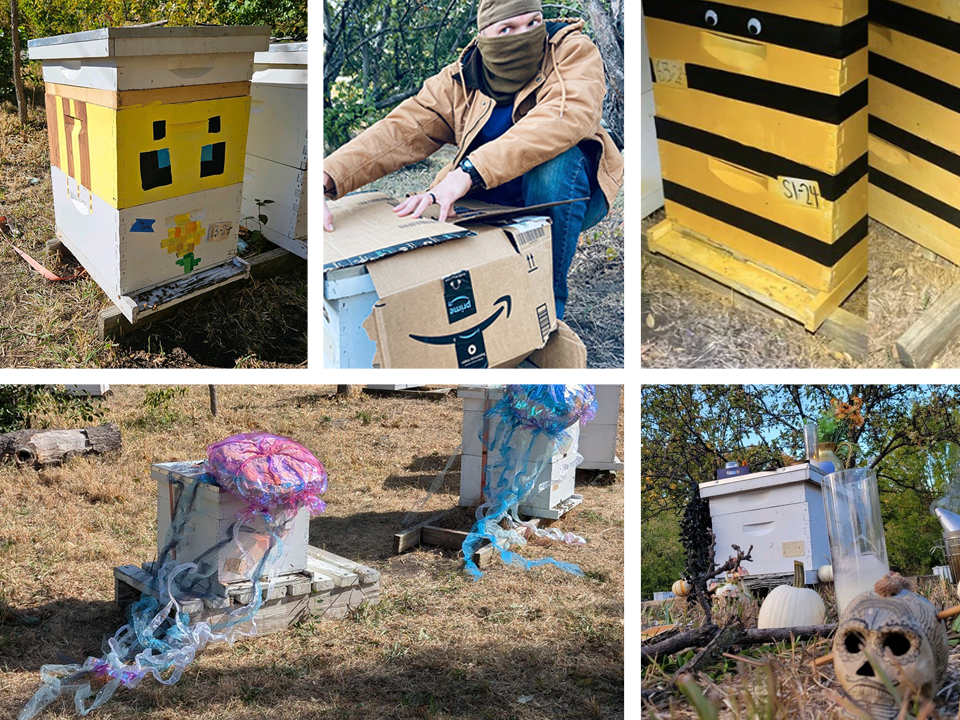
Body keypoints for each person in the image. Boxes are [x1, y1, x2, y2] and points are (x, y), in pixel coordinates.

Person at [323, 0, 623, 319]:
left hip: (569, 194)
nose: (523, 35)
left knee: (554, 165)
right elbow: (400, 130)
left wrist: (468, 172)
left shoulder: (572, 50)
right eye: (507, 28)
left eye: (533, 23)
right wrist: (328, 176)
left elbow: (565, 117)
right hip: (487, 200)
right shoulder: (461, 78)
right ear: (484, 36)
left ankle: (548, 310)